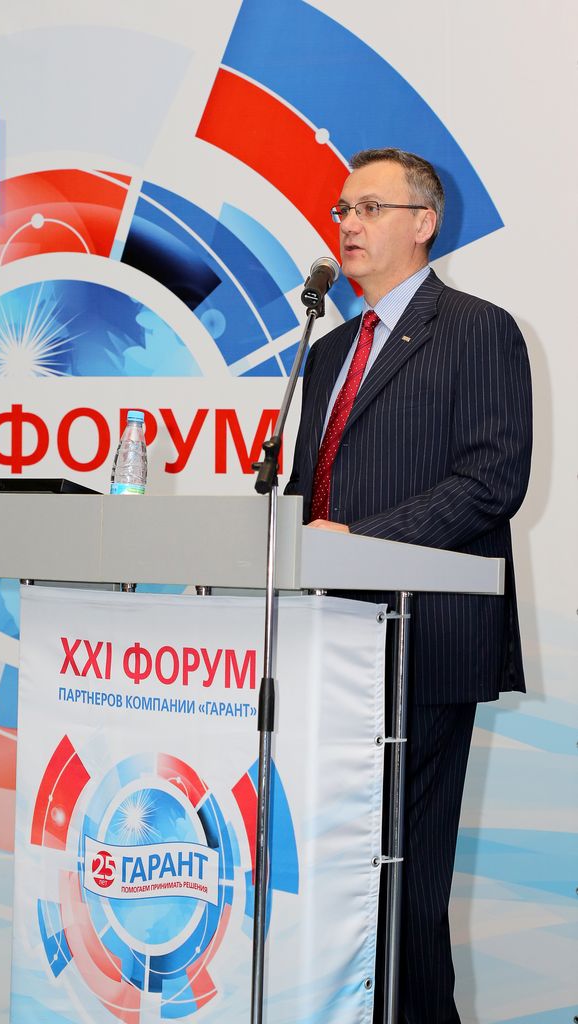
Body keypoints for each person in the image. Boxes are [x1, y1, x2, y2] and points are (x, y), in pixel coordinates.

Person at [285, 148, 532, 1023]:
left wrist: (363, 543)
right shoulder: (326, 352)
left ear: (423, 223)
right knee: (333, 884)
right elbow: (307, 496)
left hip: (420, 644)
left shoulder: (476, 329)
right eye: (341, 209)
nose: (347, 225)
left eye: (369, 208)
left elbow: (492, 481)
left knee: (402, 889)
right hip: (324, 646)